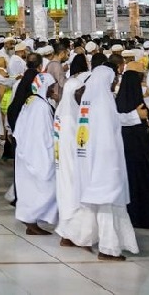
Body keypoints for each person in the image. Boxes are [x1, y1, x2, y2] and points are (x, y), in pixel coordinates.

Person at [74, 65, 140, 260]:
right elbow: (105, 131)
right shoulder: (103, 99)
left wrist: (135, 116)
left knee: (97, 204)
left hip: (89, 158)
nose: (115, 82)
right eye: (113, 79)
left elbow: (112, 120)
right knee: (107, 204)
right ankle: (108, 248)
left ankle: (85, 239)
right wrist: (112, 165)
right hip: (105, 160)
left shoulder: (89, 99)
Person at [116, 62, 149, 230]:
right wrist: (135, 116)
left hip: (134, 154)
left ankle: (144, 216)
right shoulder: (123, 107)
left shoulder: (125, 101)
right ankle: (142, 217)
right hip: (137, 154)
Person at [12, 71, 58, 235]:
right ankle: (30, 219)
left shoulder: (34, 102)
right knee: (47, 188)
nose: (53, 90)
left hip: (28, 152)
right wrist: (48, 156)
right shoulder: (41, 107)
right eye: (51, 87)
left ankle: (31, 220)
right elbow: (43, 134)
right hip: (37, 153)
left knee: (32, 189)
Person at [54, 54, 92, 246]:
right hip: (70, 167)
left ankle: (68, 234)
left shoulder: (64, 111)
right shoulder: (69, 118)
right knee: (73, 196)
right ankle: (70, 234)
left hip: (65, 167)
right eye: (80, 93)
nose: (82, 96)